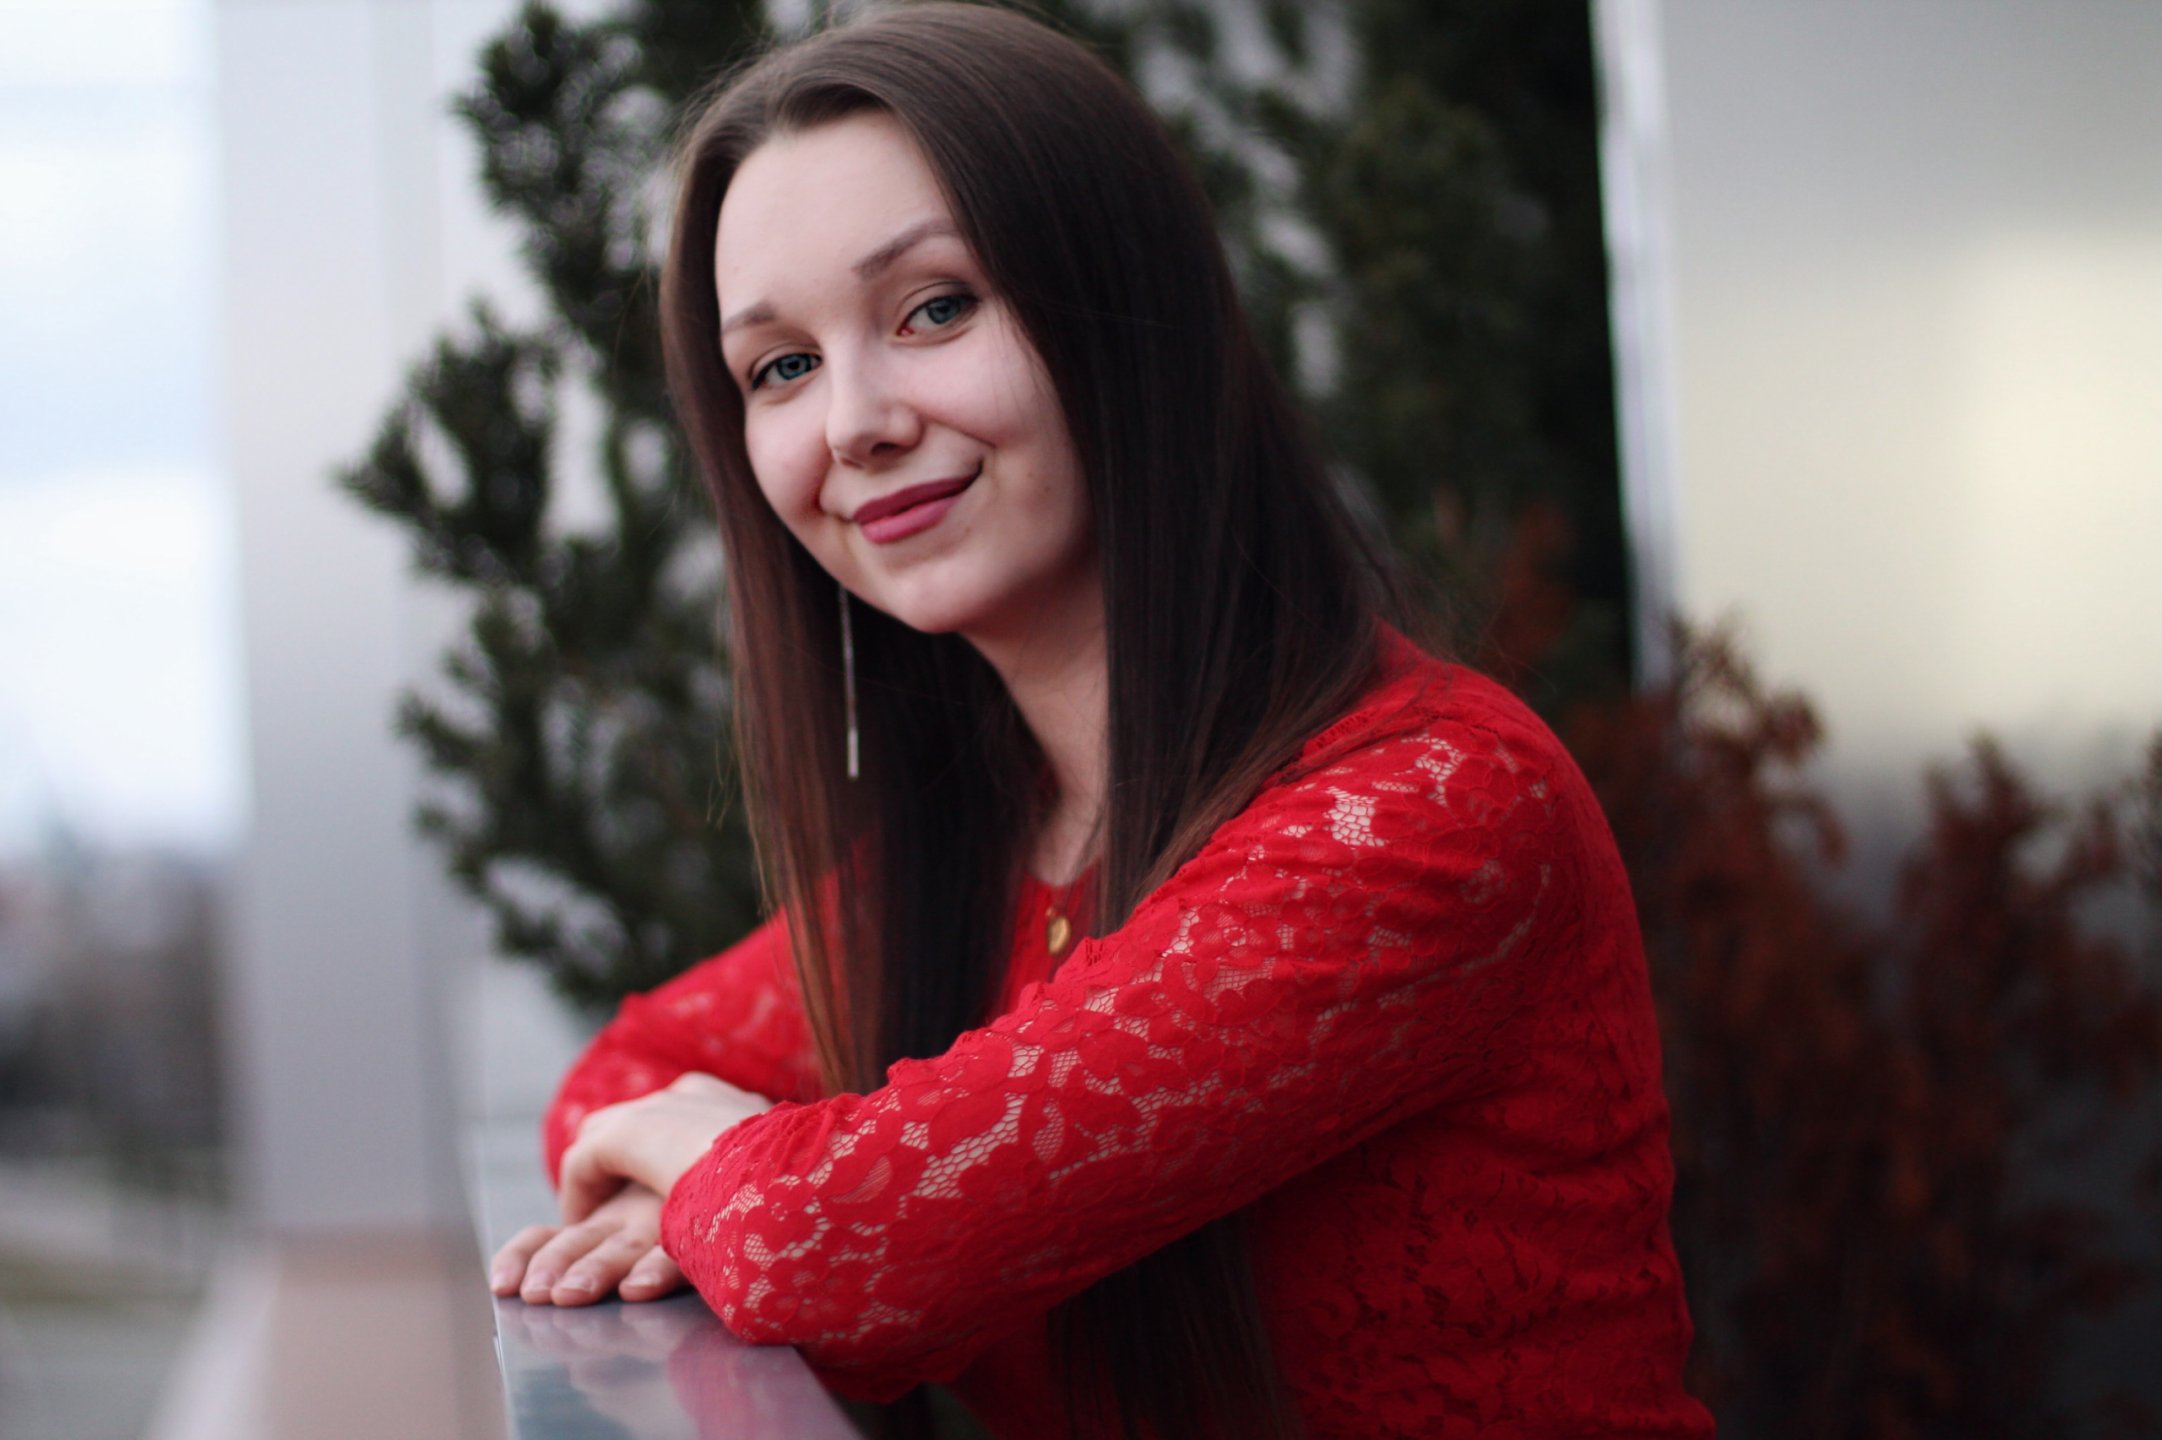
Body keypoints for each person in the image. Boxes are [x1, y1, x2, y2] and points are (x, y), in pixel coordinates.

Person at [487, 5, 1714, 1437]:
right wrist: (717, 1186)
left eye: (933, 308)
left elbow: (838, 1252)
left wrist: (723, 1178)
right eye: (781, 367)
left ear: (1129, 310)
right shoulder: (998, 842)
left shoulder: (1427, 807)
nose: (853, 422)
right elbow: (622, 1084)